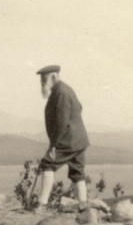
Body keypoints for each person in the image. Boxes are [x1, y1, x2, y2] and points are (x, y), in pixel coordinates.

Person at [34, 65, 91, 213]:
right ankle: (83, 205)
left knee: (47, 164)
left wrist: (53, 144)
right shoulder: (65, 89)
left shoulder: (61, 92)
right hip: (78, 140)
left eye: (44, 79)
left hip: (68, 140)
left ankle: (42, 204)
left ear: (53, 77)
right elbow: (79, 106)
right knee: (77, 172)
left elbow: (61, 121)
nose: (41, 82)